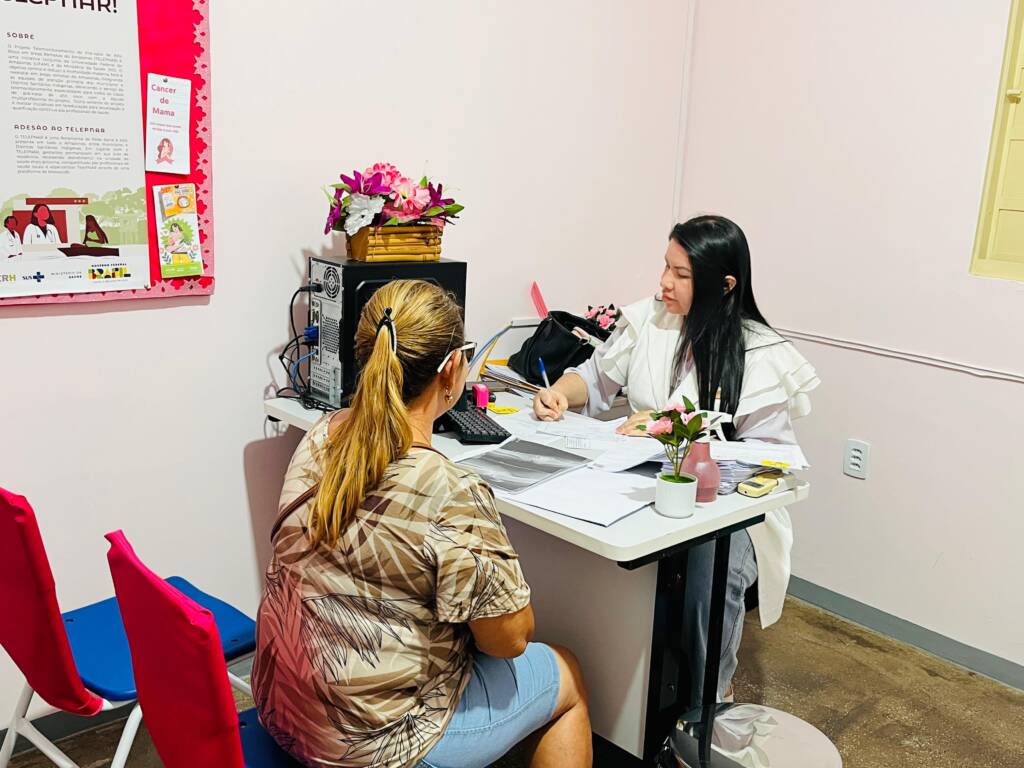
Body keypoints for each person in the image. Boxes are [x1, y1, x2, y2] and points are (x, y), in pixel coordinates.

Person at [253, 279, 592, 768]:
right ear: (452, 369)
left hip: (284, 704)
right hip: (374, 746)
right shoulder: (448, 488)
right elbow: (509, 641)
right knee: (568, 673)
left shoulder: (322, 434)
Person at [533, 215, 819, 705]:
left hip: (723, 506)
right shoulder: (649, 320)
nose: (664, 282)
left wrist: (671, 429)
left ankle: (707, 699)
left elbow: (769, 460)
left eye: (681, 274)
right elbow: (596, 379)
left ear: (724, 285)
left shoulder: (760, 352)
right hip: (638, 481)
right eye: (665, 266)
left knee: (709, 570)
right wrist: (560, 391)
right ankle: (618, 695)